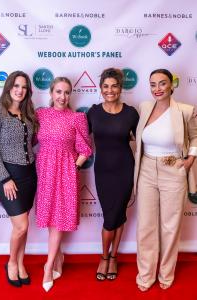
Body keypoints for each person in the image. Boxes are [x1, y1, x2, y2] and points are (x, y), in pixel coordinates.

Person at [134, 69, 197, 291]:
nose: (157, 89)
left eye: (162, 84)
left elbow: (196, 135)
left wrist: (190, 160)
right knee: (146, 226)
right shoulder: (144, 107)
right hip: (147, 169)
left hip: (174, 169)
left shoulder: (185, 111)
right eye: (153, 84)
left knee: (170, 226)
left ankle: (166, 274)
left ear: (172, 85)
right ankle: (146, 274)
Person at [35, 77, 92, 292]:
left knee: (59, 218)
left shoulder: (77, 118)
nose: (62, 96)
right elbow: (31, 141)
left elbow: (85, 150)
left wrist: (73, 168)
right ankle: (58, 256)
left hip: (66, 173)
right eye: (58, 92)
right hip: (45, 171)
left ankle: (48, 266)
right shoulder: (40, 115)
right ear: (51, 93)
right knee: (51, 216)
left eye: (67, 92)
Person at [0, 71, 39, 287]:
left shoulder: (29, 113)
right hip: (7, 175)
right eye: (16, 86)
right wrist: (5, 178)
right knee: (22, 226)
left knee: (23, 226)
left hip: (29, 175)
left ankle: (20, 261)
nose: (20, 90)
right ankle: (11, 263)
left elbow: (31, 143)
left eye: (24, 87)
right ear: (8, 87)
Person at [87, 68, 139, 281]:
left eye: (114, 86)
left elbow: (144, 140)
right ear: (100, 89)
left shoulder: (131, 113)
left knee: (118, 215)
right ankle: (104, 256)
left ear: (120, 88)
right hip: (103, 172)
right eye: (106, 86)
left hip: (125, 169)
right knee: (111, 217)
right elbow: (80, 139)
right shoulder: (93, 112)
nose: (110, 90)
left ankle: (112, 257)